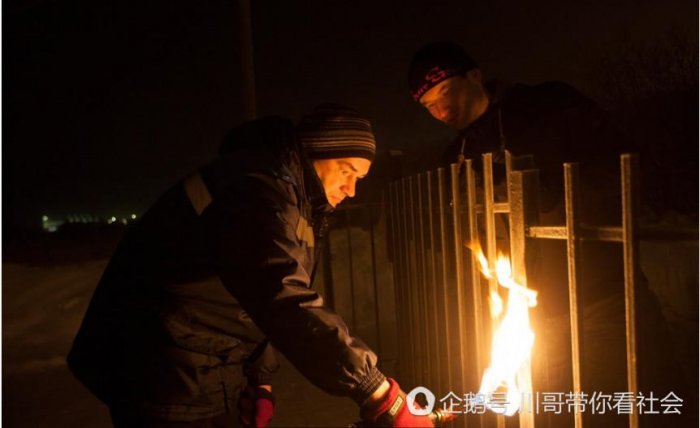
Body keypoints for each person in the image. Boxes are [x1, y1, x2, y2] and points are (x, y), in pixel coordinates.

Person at [67, 104, 445, 427]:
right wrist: (377, 391)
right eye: (347, 170)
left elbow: (248, 293)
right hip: (166, 373)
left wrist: (258, 379)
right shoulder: (257, 190)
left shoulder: (281, 190)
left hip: (195, 364)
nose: (352, 189)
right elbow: (280, 295)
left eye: (359, 178)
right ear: (318, 150)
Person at [408, 42, 685, 427]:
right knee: (562, 415)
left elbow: (625, 168)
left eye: (445, 93)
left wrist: (555, 195)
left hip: (604, 296)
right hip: (537, 317)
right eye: (428, 107)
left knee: (642, 405)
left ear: (474, 76)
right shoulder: (457, 155)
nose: (441, 111)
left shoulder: (548, 106)